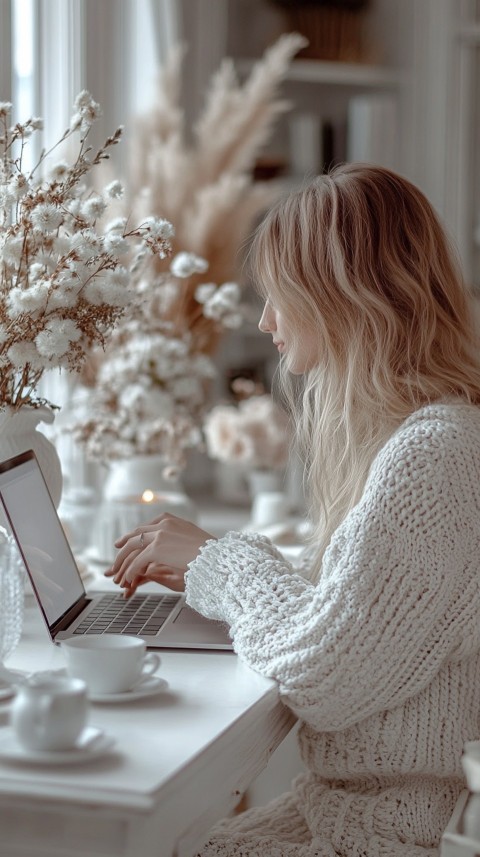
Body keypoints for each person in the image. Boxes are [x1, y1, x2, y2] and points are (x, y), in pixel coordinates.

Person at [106, 163, 480, 856]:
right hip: (341, 814)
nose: (264, 321)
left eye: (280, 294)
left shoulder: (435, 455)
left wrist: (216, 561)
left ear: (343, 295)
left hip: (390, 836)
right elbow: (353, 614)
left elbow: (324, 674)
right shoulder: (418, 436)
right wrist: (214, 568)